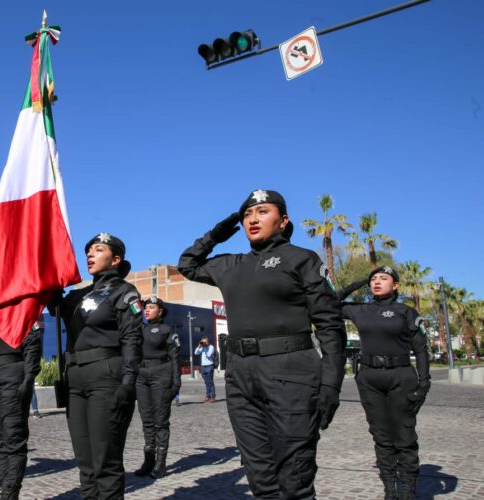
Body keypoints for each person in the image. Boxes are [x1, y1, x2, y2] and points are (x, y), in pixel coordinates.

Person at [178, 189, 346, 499]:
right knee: (260, 477)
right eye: (246, 215)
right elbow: (187, 264)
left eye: (263, 212)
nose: (253, 219)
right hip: (241, 375)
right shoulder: (231, 264)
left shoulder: (302, 260)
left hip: (291, 369)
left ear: (283, 221)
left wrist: (331, 385)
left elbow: (330, 326)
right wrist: (217, 233)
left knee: (294, 476)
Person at [53, 232, 142, 499]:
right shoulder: (78, 295)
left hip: (106, 376)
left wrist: (128, 381)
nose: (90, 254)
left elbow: (131, 339)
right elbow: (52, 303)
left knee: (106, 459)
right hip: (75, 379)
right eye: (89, 250)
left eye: (98, 249)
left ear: (115, 259)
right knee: (86, 461)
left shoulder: (124, 292)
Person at [338, 266, 431, 499]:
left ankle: (408, 490)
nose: (376, 282)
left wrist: (424, 382)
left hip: (400, 376)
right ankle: (390, 489)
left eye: (383, 278)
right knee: (380, 435)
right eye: (373, 279)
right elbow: (329, 302)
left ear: (396, 285)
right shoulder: (361, 310)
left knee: (404, 435)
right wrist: (359, 281)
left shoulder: (406, 312)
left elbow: (421, 350)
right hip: (369, 378)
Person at [0, 293, 43, 500]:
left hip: (12, 374)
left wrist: (28, 379)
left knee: (13, 439)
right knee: (0, 440)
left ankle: (10, 493)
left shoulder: (23, 307)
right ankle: (0, 489)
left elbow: (33, 344)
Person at [134, 296, 181, 479]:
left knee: (160, 420)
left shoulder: (167, 330)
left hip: (161, 374)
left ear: (160, 311)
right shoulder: (140, 328)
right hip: (142, 375)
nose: (147, 310)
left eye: (151, 307)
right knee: (146, 419)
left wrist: (176, 383)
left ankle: (161, 463)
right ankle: (149, 461)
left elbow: (175, 358)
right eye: (146, 307)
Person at [194, 336, 216, 403]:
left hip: (209, 366)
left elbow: (209, 355)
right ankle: (207, 396)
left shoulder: (211, 347)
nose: (204, 343)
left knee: (210, 382)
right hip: (203, 367)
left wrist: (206, 347)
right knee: (206, 382)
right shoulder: (202, 347)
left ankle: (213, 397)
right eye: (203, 342)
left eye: (205, 341)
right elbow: (196, 353)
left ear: (207, 341)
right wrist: (199, 347)